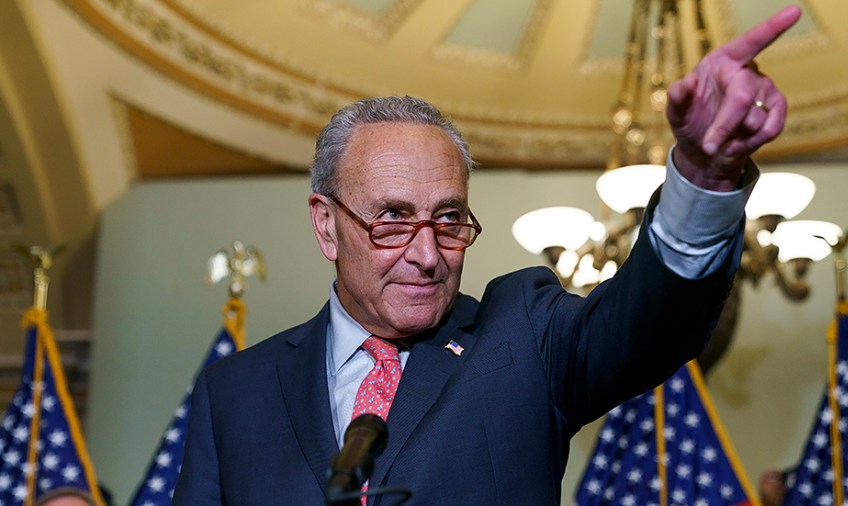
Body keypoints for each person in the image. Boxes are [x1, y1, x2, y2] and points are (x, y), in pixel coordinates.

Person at [173, 6, 802, 505]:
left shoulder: (524, 337)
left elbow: (647, 324)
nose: (428, 253)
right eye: (392, 219)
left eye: (449, 219)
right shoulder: (234, 392)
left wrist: (702, 174)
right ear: (326, 225)